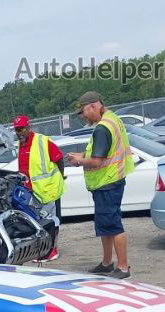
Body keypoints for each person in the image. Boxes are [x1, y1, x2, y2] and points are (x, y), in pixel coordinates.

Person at [64, 91, 134, 278]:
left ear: (94, 106)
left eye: (83, 112)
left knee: (113, 225)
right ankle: (106, 263)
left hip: (107, 183)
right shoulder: (113, 119)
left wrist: (79, 161)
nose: (82, 116)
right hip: (112, 180)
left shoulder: (102, 128)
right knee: (106, 225)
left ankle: (123, 267)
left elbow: (96, 161)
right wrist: (81, 156)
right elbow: (103, 155)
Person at [13, 115, 65, 262]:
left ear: (29, 127)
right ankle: (43, 249)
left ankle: (51, 251)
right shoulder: (20, 145)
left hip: (48, 189)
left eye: (22, 129)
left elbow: (59, 158)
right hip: (31, 191)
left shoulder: (41, 141)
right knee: (38, 221)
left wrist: (61, 175)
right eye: (17, 130)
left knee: (51, 220)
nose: (19, 133)